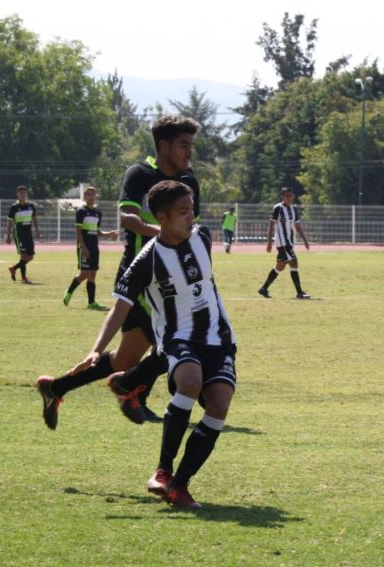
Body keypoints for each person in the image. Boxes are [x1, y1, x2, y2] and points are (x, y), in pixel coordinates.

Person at [71, 180, 236, 509]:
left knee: (218, 405)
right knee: (189, 382)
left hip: (219, 338)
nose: (191, 217)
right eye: (182, 212)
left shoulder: (202, 237)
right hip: (177, 338)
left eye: (192, 210)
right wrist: (96, 348)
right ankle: (162, 471)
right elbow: (120, 307)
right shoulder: (146, 260)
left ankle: (180, 485)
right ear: (161, 217)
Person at [35, 115, 202, 429]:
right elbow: (128, 218)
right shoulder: (139, 174)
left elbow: (190, 229)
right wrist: (166, 232)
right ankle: (130, 391)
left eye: (191, 146)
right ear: (163, 145)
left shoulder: (189, 182)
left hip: (172, 277)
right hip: (140, 277)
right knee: (179, 341)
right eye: (183, 145)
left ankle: (57, 388)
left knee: (127, 360)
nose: (189, 153)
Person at [64, 185, 118, 310]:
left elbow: (98, 231)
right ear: (84, 197)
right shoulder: (81, 212)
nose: (91, 197)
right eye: (88, 194)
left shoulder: (98, 213)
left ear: (96, 196)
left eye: (93, 194)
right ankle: (69, 291)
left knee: (92, 274)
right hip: (84, 247)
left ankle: (91, 302)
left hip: (94, 247)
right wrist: (83, 248)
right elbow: (78, 231)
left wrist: (109, 234)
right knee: (84, 273)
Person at [257, 187, 311, 299]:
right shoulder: (278, 208)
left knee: (280, 266)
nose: (289, 198)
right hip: (282, 242)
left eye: (291, 195)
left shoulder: (294, 209)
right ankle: (300, 292)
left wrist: (305, 241)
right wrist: (269, 243)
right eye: (287, 196)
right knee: (294, 263)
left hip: (289, 242)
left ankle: (264, 288)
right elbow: (271, 225)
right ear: (282, 196)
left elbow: (298, 226)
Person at [5, 185, 41, 283]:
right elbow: (9, 222)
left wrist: (37, 230)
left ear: (26, 194)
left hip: (28, 234)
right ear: (17, 194)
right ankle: (24, 278)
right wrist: (7, 235)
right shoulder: (14, 207)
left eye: (24, 193)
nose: (22, 194)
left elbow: (34, 219)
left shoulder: (31, 206)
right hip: (19, 234)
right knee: (23, 256)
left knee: (31, 256)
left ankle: (14, 268)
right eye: (20, 193)